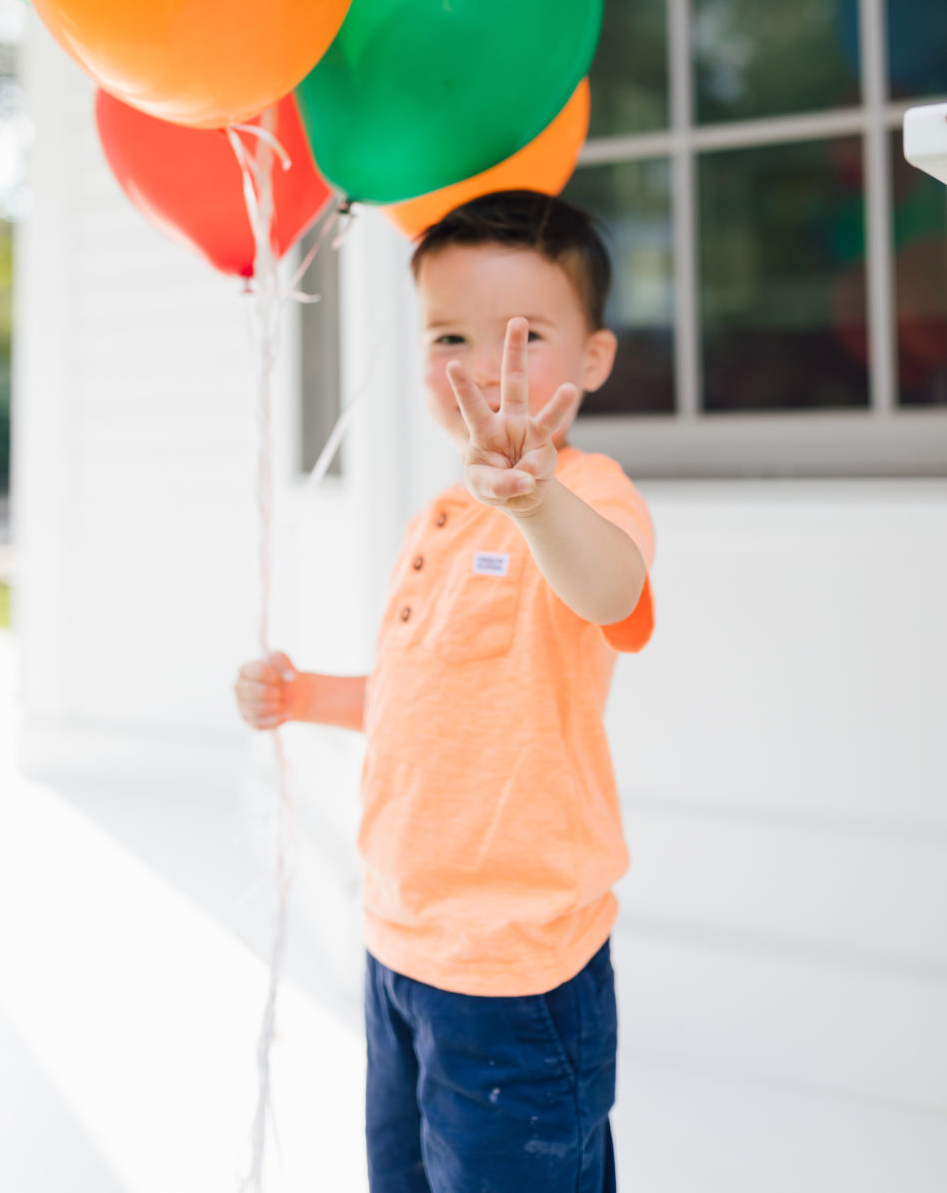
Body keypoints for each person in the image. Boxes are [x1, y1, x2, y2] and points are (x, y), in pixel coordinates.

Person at [234, 189, 657, 1192]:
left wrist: (536, 500)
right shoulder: (440, 515)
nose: (478, 367)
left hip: (517, 967)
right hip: (401, 941)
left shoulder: (587, 497)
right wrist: (303, 696)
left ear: (590, 359)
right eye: (448, 334)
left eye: (523, 338)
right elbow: (421, 697)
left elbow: (612, 588)